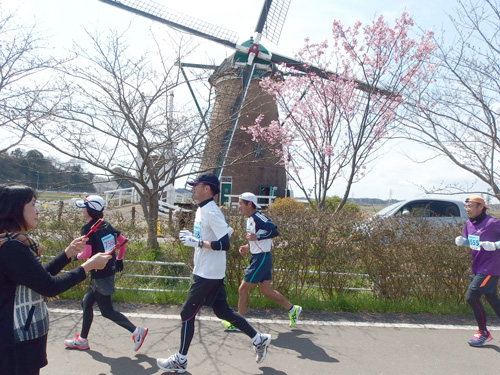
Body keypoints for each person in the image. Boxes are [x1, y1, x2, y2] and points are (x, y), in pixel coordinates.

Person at [157, 173, 271, 373]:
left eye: (196, 185)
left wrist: (198, 242)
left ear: (207, 189)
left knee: (186, 313)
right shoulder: (203, 209)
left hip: (208, 273)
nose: (192, 188)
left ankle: (180, 360)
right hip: (207, 269)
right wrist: (193, 237)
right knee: (222, 311)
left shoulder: (211, 211)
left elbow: (224, 243)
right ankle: (259, 339)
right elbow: (222, 233)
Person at [0, 185, 111, 375]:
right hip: (17, 343)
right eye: (33, 204)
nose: (37, 211)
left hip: (16, 339)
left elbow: (38, 277)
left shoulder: (12, 243)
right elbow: (49, 286)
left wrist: (68, 253)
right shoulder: (12, 248)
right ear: (16, 209)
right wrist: (88, 266)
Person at [63, 195, 148, 352]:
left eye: (84, 207)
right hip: (107, 270)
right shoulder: (105, 224)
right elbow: (123, 241)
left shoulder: (88, 228)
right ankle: (82, 340)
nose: (82, 209)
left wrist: (73, 257)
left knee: (107, 311)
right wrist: (120, 259)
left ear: (90, 210)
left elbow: (87, 253)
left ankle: (137, 332)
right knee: (86, 303)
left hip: (100, 274)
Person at [221, 192, 302, 331]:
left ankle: (239, 323)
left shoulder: (258, 216)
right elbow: (257, 237)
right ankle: (292, 309)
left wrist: (256, 237)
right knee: (265, 290)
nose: (238, 206)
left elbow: (274, 231)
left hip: (261, 258)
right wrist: (248, 246)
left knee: (243, 289)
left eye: (241, 203)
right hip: (259, 256)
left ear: (249, 204)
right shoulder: (250, 219)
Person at [455, 194, 500, 346]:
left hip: (490, 267)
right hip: (478, 266)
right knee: (491, 298)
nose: (467, 209)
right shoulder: (469, 223)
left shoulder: (492, 223)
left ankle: (483, 333)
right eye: (466, 206)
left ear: (481, 207)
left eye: (471, 206)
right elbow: (470, 239)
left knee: (471, 296)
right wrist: (463, 241)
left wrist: (496, 245)